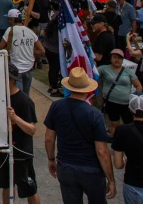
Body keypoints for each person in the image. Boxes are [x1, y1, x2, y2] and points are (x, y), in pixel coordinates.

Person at [44, 67, 115, 204]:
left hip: (65, 166)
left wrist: (51, 159)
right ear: (88, 89)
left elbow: (49, 138)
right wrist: (111, 179)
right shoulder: (95, 114)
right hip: (91, 170)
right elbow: (102, 151)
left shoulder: (56, 106)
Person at [0, 61, 39, 204]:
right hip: (4, 150)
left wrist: (15, 118)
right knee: (6, 186)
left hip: (21, 152)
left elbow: (32, 130)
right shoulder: (0, 98)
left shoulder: (24, 101)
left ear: (11, 80)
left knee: (29, 188)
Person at [0, 8, 45, 93]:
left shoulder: (10, 31)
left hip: (16, 67)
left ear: (12, 19)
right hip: (29, 66)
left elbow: (1, 46)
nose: (8, 21)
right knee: (26, 94)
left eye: (9, 19)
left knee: (18, 94)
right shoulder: (30, 31)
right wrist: (30, 50)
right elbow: (42, 51)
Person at [98, 49, 143, 134]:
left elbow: (138, 86)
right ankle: (116, 142)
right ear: (110, 58)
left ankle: (130, 142)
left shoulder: (128, 71)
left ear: (123, 60)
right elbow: (92, 73)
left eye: (119, 58)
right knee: (114, 123)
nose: (117, 60)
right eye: (114, 57)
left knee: (130, 124)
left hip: (126, 104)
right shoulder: (103, 68)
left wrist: (136, 98)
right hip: (111, 102)